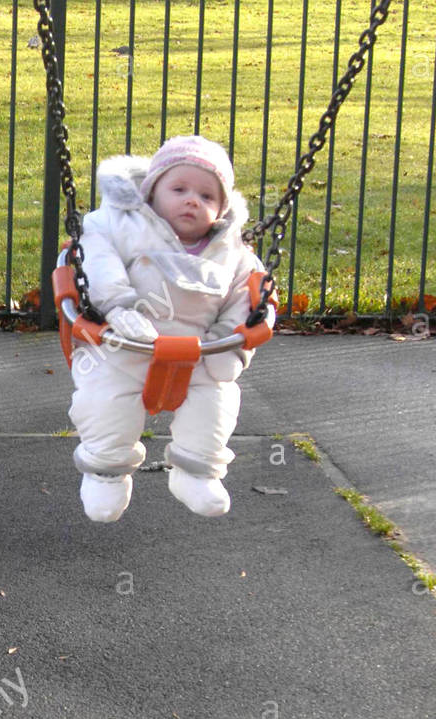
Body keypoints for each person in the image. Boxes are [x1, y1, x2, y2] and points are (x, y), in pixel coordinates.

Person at [67, 135, 263, 522]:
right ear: (151, 192)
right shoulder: (118, 223)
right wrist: (118, 305)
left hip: (202, 351)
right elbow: (96, 257)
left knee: (216, 403)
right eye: (179, 189)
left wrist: (227, 341)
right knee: (105, 402)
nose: (193, 200)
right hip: (123, 341)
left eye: (208, 197)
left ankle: (196, 472)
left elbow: (247, 293)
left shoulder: (231, 249)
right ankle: (106, 474)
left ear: (222, 209)